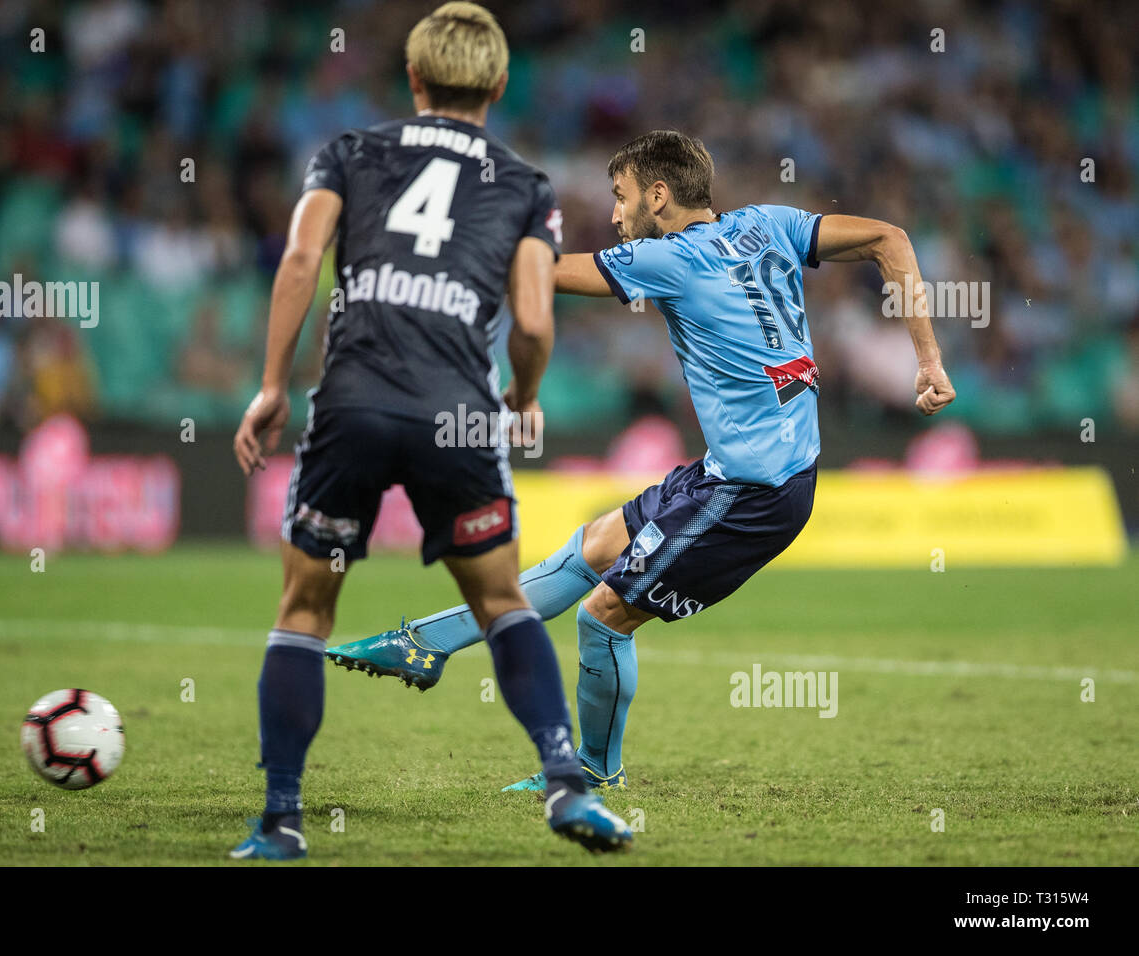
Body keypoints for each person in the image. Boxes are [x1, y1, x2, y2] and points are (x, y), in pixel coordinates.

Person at [327, 129, 957, 791]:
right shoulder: (771, 224)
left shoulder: (671, 260)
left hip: (753, 495)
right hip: (733, 474)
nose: (615, 214)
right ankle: (425, 644)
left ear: (659, 195)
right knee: (592, 547)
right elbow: (891, 239)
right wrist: (929, 360)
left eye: (621, 197)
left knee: (601, 617)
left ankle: (594, 773)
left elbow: (539, 273)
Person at [228, 3, 632, 860]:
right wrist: (524, 393)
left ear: (414, 79)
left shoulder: (349, 152)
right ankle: (565, 782)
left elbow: (300, 261)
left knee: (305, 607)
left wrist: (269, 386)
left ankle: (281, 822)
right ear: (498, 84)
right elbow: (531, 315)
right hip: (455, 411)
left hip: (352, 401)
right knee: (500, 603)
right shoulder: (525, 186)